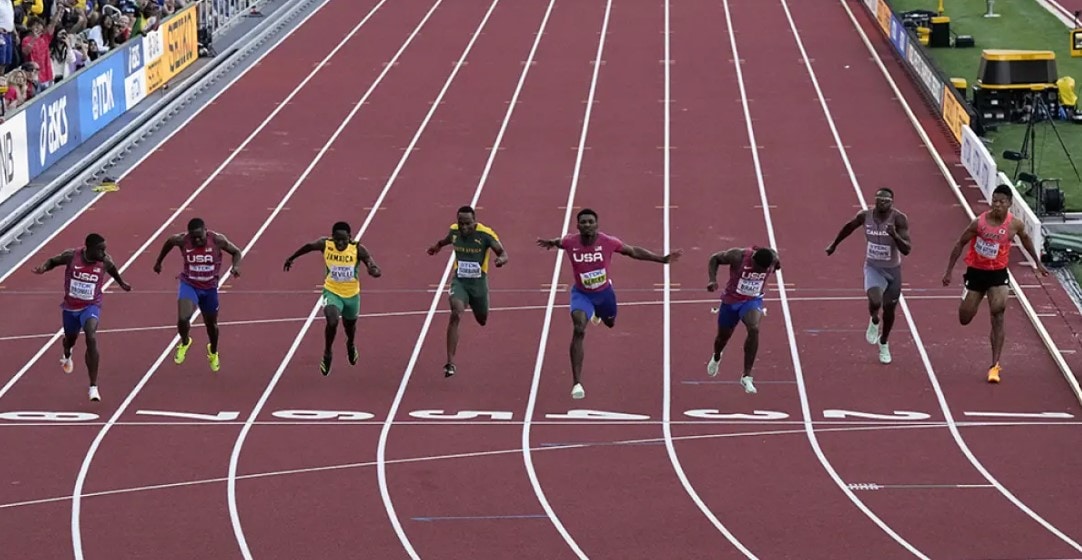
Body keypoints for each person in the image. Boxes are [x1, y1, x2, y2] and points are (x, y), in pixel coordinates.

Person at [537, 208, 682, 399]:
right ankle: (577, 382)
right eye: (583, 222)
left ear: (597, 225)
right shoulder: (570, 241)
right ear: (577, 225)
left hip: (604, 294)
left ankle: (599, 313)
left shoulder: (608, 242)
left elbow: (633, 251)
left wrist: (661, 259)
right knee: (579, 328)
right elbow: (560, 242)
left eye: (591, 222)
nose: (587, 225)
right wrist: (551, 243)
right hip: (582, 294)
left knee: (610, 322)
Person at [943, 184, 1048, 383]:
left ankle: (995, 365)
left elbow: (1025, 240)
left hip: (998, 274)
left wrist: (1037, 263)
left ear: (1009, 203)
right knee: (964, 318)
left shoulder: (1014, 224)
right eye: (995, 201)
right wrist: (949, 271)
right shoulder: (979, 223)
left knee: (998, 312)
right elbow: (960, 243)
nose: (997, 205)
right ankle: (969, 295)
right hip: (976, 273)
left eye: (1001, 202)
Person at [33, 233, 132, 401]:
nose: (103, 253)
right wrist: (43, 267)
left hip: (91, 305)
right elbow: (53, 261)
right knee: (70, 339)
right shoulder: (72, 256)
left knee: (91, 335)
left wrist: (121, 283)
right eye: (100, 250)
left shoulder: (105, 261)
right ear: (89, 248)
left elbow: (114, 271)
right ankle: (67, 350)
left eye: (104, 250)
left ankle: (93, 387)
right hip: (71, 307)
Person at [825, 188, 912, 364]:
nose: (882, 203)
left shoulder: (899, 219)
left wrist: (894, 235)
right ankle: (873, 320)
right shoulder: (865, 216)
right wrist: (834, 244)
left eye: (886, 200)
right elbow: (848, 228)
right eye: (879, 199)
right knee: (875, 301)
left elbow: (907, 249)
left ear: (892, 202)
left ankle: (884, 342)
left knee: (889, 311)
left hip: (893, 270)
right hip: (873, 267)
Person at [284, 221, 381, 376]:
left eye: (343, 240)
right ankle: (327, 353)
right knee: (332, 320)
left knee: (350, 328)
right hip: (332, 291)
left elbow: (372, 263)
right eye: (337, 240)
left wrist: (373, 270)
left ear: (350, 237)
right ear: (332, 237)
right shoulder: (325, 244)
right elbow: (309, 246)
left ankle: (350, 344)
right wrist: (292, 257)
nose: (340, 243)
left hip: (351, 295)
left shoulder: (357, 249)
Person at [427, 206, 508, 378]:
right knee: (456, 313)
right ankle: (450, 363)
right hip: (460, 281)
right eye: (461, 223)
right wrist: (437, 247)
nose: (464, 228)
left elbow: (502, 252)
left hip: (478, 284)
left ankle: (474, 302)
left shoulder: (485, 234)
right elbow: (446, 240)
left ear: (475, 222)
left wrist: (500, 260)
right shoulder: (454, 231)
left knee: (482, 319)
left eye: (468, 224)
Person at [153, 218, 242, 372]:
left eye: (200, 236)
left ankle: (213, 352)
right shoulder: (182, 240)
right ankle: (185, 341)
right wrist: (159, 261)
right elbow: (169, 242)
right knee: (182, 318)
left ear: (205, 231)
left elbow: (236, 252)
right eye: (193, 237)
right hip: (190, 284)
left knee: (211, 325)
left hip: (209, 288)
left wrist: (236, 267)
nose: (197, 240)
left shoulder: (217, 240)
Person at [705, 246, 780, 394]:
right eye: (758, 269)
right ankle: (717, 356)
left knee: (754, 328)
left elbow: (777, 264)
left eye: (763, 271)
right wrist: (712, 280)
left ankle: (747, 376)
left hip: (752, 301)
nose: (760, 273)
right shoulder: (737, 256)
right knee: (722, 338)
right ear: (753, 260)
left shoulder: (772, 260)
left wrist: (776, 266)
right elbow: (715, 258)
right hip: (731, 301)